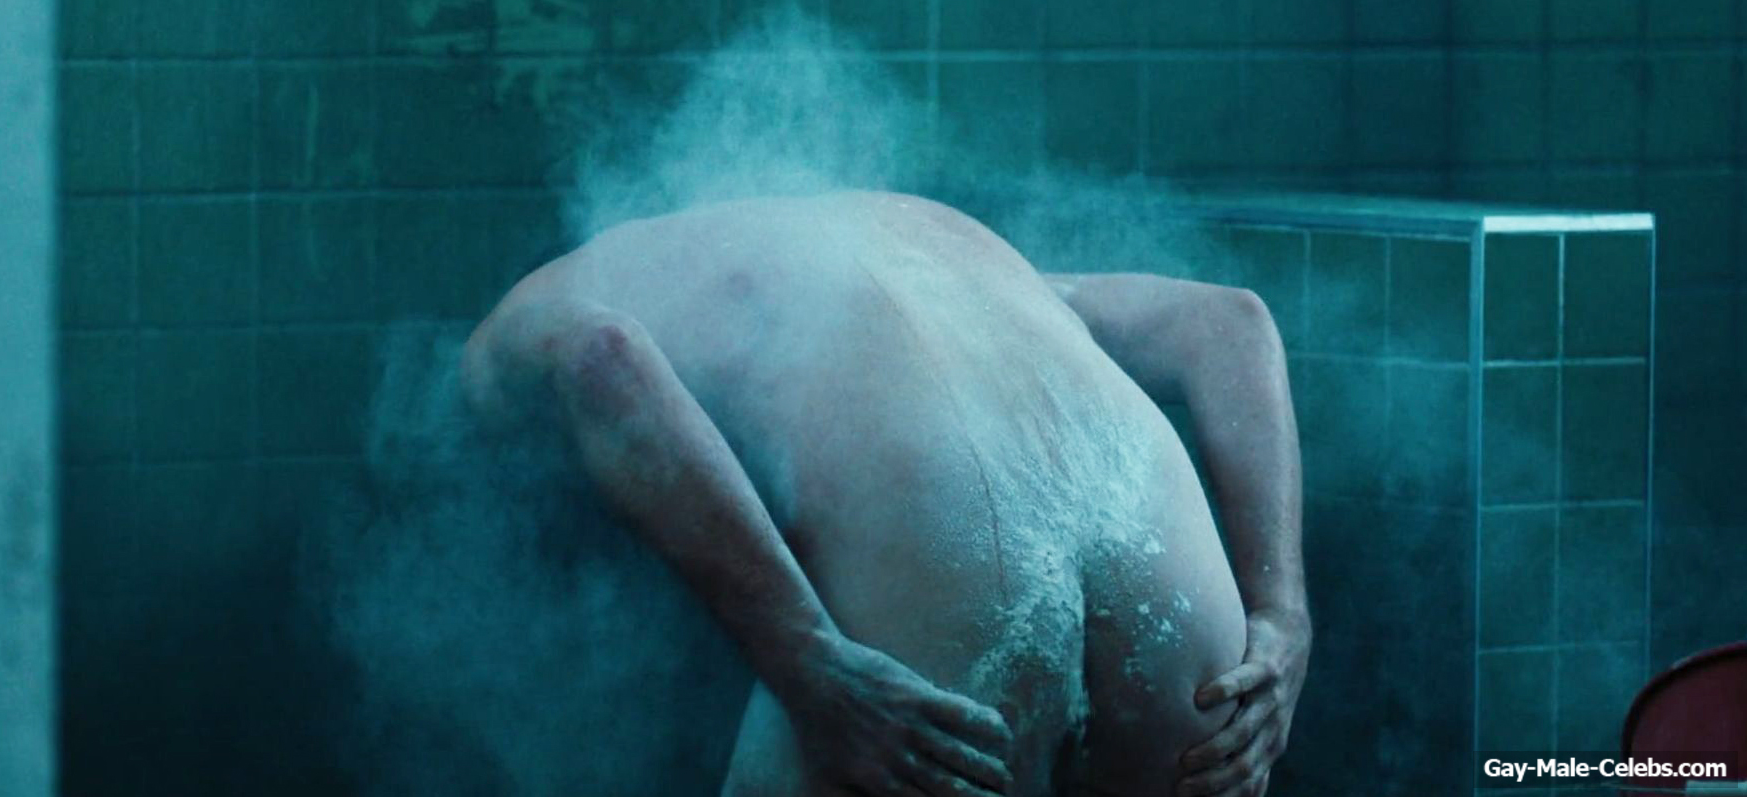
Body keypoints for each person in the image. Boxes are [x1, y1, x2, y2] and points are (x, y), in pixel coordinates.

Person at [459, 190, 1310, 797]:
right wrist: (1281, 612)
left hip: (953, 560)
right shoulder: (942, 249)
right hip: (1163, 550)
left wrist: (807, 662)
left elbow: (600, 358)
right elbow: (1228, 322)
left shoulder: (549, 299)